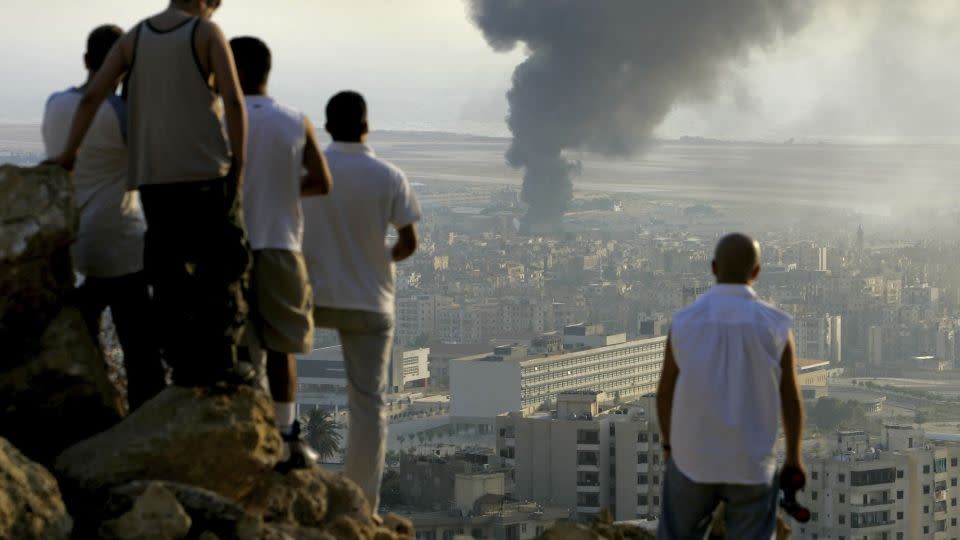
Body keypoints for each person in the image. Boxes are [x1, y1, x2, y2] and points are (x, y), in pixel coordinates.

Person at [48, 0, 252, 387]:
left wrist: (69, 153)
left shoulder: (136, 36)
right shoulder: (206, 32)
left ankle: (181, 365)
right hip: (206, 172)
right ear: (206, 3)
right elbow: (234, 100)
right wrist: (239, 164)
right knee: (221, 266)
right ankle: (220, 363)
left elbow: (93, 96)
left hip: (156, 181)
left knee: (169, 273)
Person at [302, 91, 421, 510]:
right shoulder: (388, 176)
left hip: (311, 293)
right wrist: (378, 259)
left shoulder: (310, 172)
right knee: (368, 403)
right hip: (369, 298)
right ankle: (360, 503)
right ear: (367, 126)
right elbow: (408, 242)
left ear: (328, 128)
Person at [42, 25, 165, 410]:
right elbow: (153, 168)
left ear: (86, 60)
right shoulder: (122, 113)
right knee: (140, 349)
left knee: (87, 341)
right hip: (122, 244)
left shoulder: (55, 103)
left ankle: (90, 412)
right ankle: (143, 423)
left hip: (75, 245)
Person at [656, 233, 805, 540]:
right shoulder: (775, 325)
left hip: (692, 459)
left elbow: (665, 392)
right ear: (757, 272)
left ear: (713, 267)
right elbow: (790, 398)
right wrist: (793, 457)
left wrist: (670, 445)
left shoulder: (684, 323)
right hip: (751, 461)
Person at [230, 36, 333, 470]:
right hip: (280, 243)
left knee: (235, 344)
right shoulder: (295, 121)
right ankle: (288, 436)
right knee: (281, 346)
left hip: (230, 245)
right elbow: (321, 181)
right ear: (268, 72)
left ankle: (240, 432)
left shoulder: (219, 119)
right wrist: (280, 190)